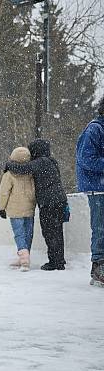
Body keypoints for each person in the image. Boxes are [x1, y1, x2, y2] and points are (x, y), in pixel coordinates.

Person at [4, 139, 68, 271]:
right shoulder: (51, 161)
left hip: (49, 203)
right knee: (57, 232)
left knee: (49, 232)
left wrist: (9, 165)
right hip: (59, 200)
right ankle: (60, 260)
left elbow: (22, 168)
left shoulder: (41, 162)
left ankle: (54, 262)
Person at [75, 95, 104, 287]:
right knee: (101, 228)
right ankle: (99, 267)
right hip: (98, 189)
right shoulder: (95, 129)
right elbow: (86, 159)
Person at [0, 146, 36, 271]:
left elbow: (4, 192)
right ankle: (25, 257)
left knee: (19, 234)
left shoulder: (9, 174)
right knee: (28, 233)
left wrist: (2, 208)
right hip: (29, 207)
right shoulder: (31, 173)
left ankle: (24, 258)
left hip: (15, 210)